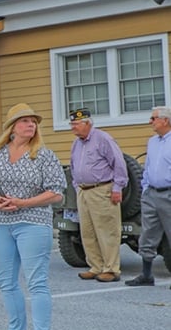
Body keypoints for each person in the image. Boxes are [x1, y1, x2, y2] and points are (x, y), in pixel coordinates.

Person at [0, 103, 64, 330]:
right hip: (1, 222)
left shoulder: (44, 155)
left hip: (33, 222)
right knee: (6, 281)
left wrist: (23, 202)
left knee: (36, 281)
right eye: (25, 121)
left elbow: (57, 192)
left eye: (33, 121)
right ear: (12, 127)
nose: (31, 125)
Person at [68, 108, 128, 283]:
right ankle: (96, 266)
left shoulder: (103, 139)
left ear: (87, 123)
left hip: (102, 190)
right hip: (83, 191)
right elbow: (73, 166)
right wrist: (76, 186)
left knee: (107, 231)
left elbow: (119, 163)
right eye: (72, 124)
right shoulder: (76, 143)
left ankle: (111, 269)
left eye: (76, 124)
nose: (73, 128)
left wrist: (117, 188)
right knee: (87, 231)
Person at [125, 106, 171, 288]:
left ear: (165, 121)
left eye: (153, 119)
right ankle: (146, 274)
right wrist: (145, 188)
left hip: (168, 193)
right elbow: (148, 166)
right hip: (151, 193)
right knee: (148, 234)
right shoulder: (152, 142)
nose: (150, 122)